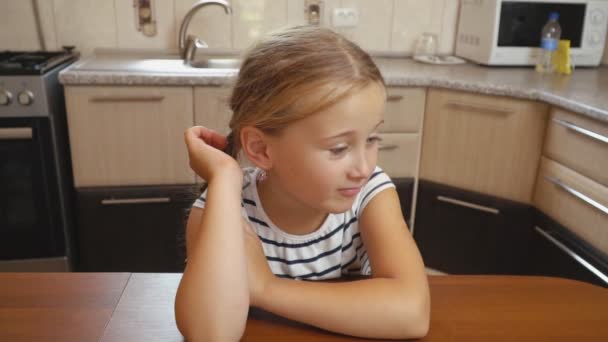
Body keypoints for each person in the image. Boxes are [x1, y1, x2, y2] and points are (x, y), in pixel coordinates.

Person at [175, 25, 430, 341]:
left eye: (372, 138)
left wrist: (267, 289)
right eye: (338, 148)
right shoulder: (225, 208)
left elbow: (412, 314)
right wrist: (224, 178)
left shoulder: (370, 193)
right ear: (261, 149)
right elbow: (209, 334)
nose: (364, 167)